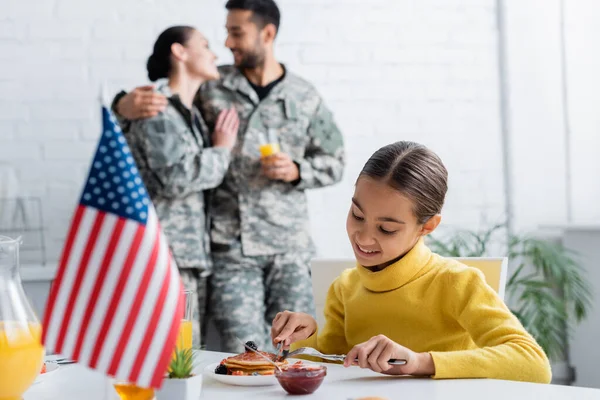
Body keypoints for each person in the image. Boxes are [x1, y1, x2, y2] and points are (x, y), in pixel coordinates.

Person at [112, 0, 345, 353]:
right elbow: (164, 103)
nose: (228, 42)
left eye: (236, 32)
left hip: (289, 248)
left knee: (299, 351)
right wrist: (121, 107)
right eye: (225, 33)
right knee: (243, 354)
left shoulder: (304, 95)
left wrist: (298, 170)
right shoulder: (212, 85)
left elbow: (336, 161)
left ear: (267, 33)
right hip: (229, 250)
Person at [270, 141, 552, 383]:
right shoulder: (344, 287)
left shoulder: (456, 282)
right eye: (357, 215)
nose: (364, 238)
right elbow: (337, 367)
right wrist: (305, 337)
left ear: (427, 227)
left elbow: (534, 364)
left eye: (387, 229)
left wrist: (419, 362)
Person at [124, 26, 239, 348]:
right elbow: (175, 178)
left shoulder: (188, 114)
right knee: (172, 359)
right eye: (205, 44)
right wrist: (222, 150)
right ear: (180, 52)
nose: (214, 53)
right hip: (164, 256)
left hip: (187, 257)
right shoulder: (156, 108)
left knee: (185, 357)